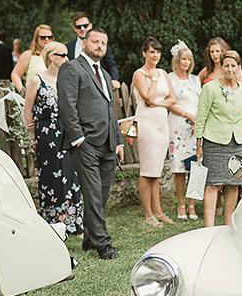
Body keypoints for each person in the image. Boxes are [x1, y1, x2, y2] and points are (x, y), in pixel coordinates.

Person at [57, 26, 124, 259]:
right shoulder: (71, 68)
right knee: (94, 193)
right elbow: (67, 106)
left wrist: (119, 141)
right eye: (95, 42)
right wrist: (78, 140)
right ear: (84, 43)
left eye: (103, 43)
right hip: (85, 144)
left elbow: (110, 110)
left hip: (107, 144)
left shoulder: (105, 75)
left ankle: (89, 239)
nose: (100, 46)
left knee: (101, 195)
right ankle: (104, 245)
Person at [23, 41, 84, 236]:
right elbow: (27, 110)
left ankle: (74, 222)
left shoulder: (67, 79)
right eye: (63, 55)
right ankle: (53, 222)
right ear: (51, 57)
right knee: (52, 176)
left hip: (67, 131)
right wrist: (33, 135)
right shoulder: (37, 80)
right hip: (46, 133)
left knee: (72, 174)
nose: (67, 58)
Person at [195, 50, 242, 227]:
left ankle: (228, 225)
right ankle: (209, 227)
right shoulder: (210, 88)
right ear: (221, 67)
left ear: (238, 67)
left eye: (233, 65)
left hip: (236, 143)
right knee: (212, 184)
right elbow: (201, 116)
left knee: (234, 184)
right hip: (214, 141)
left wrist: (241, 131)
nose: (229, 69)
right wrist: (199, 143)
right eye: (226, 65)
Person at [132, 37, 176, 226]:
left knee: (157, 169)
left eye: (158, 52)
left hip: (161, 122)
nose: (155, 55)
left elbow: (173, 99)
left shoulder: (163, 72)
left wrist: (158, 102)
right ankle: (148, 214)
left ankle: (158, 211)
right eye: (152, 51)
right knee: (147, 169)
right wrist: (154, 81)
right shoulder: (139, 74)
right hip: (146, 122)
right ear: (144, 53)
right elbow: (148, 97)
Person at [166, 41, 201, 221]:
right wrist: (189, 115)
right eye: (183, 59)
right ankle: (181, 205)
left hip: (196, 127)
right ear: (177, 60)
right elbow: (170, 103)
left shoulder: (195, 80)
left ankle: (192, 205)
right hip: (178, 124)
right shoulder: (170, 78)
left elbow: (201, 103)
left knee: (196, 165)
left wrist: (198, 121)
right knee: (179, 167)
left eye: (189, 59)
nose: (186, 63)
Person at [67, 11, 119, 87]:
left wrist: (114, 79)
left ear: (90, 26)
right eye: (78, 27)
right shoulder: (68, 47)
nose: (82, 29)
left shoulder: (101, 46)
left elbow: (111, 64)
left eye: (85, 26)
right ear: (74, 28)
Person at [11, 25, 54, 92]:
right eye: (43, 37)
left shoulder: (57, 55)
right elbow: (15, 74)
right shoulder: (29, 55)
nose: (47, 39)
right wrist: (22, 91)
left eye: (50, 37)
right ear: (36, 38)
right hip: (32, 96)